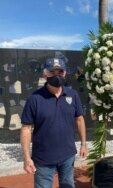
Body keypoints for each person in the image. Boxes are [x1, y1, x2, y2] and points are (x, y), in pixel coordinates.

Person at [20, 58, 87, 188]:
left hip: (68, 155)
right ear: (45, 74)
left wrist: (84, 144)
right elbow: (26, 129)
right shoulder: (34, 99)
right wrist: (27, 158)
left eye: (60, 71)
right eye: (52, 72)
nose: (57, 75)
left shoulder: (73, 95)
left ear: (65, 73)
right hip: (43, 158)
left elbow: (79, 119)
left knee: (68, 185)